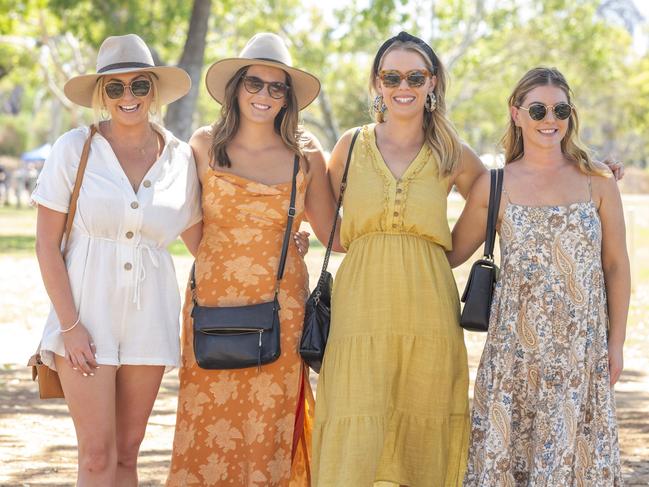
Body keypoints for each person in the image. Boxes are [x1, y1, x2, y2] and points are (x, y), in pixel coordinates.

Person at [312, 31, 490, 487]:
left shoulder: (451, 149)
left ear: (432, 83)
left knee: (424, 414)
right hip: (360, 305)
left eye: (415, 76)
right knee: (354, 412)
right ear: (376, 83)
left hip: (428, 306)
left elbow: (494, 196)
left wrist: (448, 250)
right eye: (391, 76)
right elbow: (329, 222)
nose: (402, 85)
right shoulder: (350, 146)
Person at [166, 33, 337, 486]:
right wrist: (227, 260)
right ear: (237, 87)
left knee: (270, 423)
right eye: (254, 83)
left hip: (282, 306)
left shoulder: (307, 154)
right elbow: (188, 221)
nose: (264, 95)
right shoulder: (203, 145)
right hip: (212, 303)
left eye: (276, 87)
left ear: (287, 97)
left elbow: (332, 234)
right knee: (208, 418)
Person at [31, 34, 202, 486]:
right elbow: (46, 244)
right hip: (86, 315)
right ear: (101, 95)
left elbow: (204, 242)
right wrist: (70, 327)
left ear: (154, 91)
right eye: (116, 87)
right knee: (95, 456)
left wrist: (281, 242)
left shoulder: (182, 159)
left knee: (128, 453)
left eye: (139, 85)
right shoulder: (74, 149)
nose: (128, 97)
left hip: (150, 317)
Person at [449, 67, 628, 485]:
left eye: (560, 109)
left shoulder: (598, 180)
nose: (550, 119)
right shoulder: (494, 186)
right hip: (516, 353)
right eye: (538, 109)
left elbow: (616, 265)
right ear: (516, 114)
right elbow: (449, 255)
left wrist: (614, 344)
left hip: (579, 350)